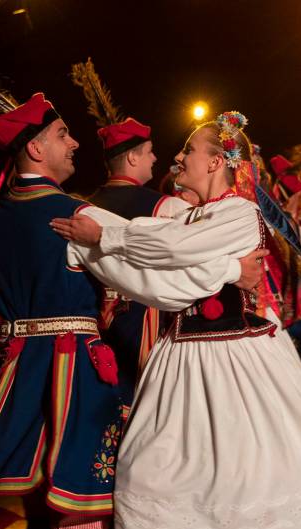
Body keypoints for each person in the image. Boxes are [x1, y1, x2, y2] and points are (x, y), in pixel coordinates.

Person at [0, 94, 267, 529]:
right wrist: (232, 270)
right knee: (81, 493)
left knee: (37, 487)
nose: (75, 144)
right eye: (63, 134)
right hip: (70, 367)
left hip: (16, 364)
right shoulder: (72, 216)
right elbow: (153, 274)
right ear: (36, 148)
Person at [52, 111, 301, 529]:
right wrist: (89, 239)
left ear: (216, 161)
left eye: (189, 150)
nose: (178, 157)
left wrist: (105, 236)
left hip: (235, 355)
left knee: (245, 468)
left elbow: (174, 248)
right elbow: (158, 281)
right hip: (178, 357)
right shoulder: (185, 217)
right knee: (149, 467)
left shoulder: (241, 213)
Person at [88, 118, 191, 384]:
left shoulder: (84, 207)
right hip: (146, 326)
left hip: (93, 327)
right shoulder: (167, 208)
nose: (155, 158)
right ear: (132, 157)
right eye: (149, 151)